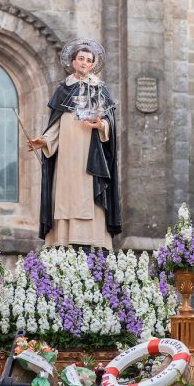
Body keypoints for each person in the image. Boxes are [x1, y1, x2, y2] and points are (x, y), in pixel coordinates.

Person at [28, 38, 121, 249]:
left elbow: (110, 122)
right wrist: (44, 141)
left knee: (88, 191)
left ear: (93, 64)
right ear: (73, 62)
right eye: (81, 58)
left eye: (88, 60)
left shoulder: (100, 89)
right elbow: (56, 125)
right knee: (66, 192)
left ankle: (93, 239)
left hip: (91, 153)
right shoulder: (63, 89)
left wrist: (102, 125)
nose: (84, 63)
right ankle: (63, 239)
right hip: (67, 154)